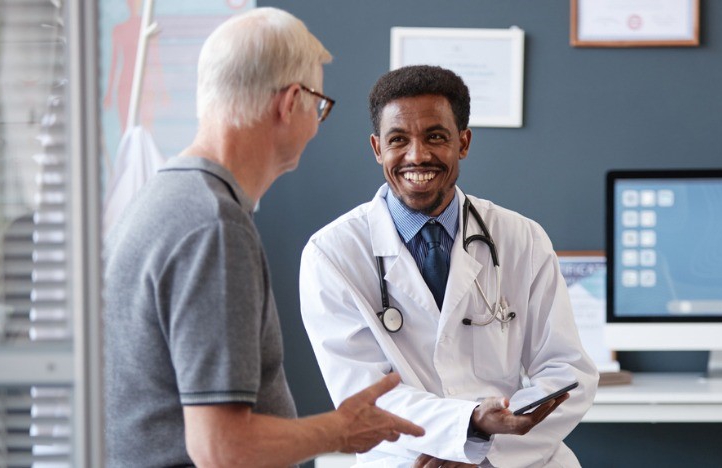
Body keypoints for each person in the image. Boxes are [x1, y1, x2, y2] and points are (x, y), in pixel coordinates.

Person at [103, 8, 423, 467]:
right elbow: (222, 447)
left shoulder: (161, 197)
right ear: (291, 101)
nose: (316, 121)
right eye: (319, 105)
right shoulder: (212, 227)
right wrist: (342, 430)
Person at [299, 65, 599, 467]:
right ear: (376, 148)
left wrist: (481, 448)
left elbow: (567, 372)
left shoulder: (522, 238)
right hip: (410, 459)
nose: (417, 155)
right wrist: (465, 430)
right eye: (398, 140)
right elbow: (363, 395)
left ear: (464, 142)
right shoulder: (333, 253)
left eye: (436, 137)